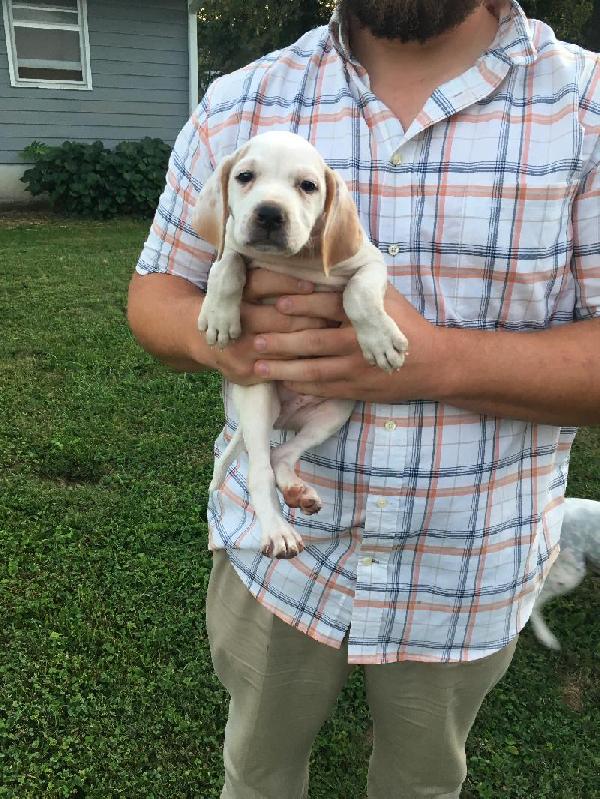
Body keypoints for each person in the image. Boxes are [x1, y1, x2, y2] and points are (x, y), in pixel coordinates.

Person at [127, 1, 600, 796]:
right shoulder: (242, 97)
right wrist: (241, 339)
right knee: (257, 770)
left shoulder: (585, 107)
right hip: (272, 559)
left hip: (469, 559)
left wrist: (435, 359)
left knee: (421, 784)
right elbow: (154, 296)